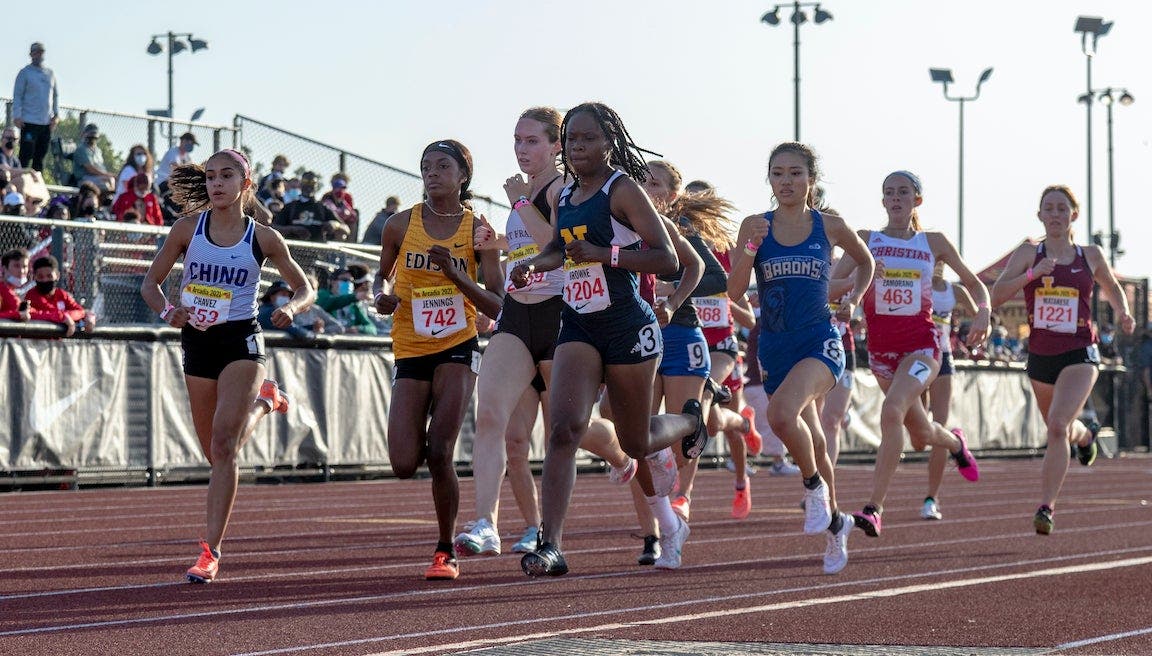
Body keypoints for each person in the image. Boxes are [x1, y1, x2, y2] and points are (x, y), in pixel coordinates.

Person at [508, 102, 709, 577]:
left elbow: (667, 260)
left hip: (627, 326)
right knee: (563, 430)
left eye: (588, 139)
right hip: (579, 325)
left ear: (608, 141)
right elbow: (559, 247)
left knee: (635, 441)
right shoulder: (570, 192)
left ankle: (687, 422)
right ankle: (551, 545)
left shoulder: (624, 190)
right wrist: (534, 265)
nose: (578, 148)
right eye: (572, 140)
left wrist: (606, 254)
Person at [140, 148, 314, 583]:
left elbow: (304, 287)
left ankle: (210, 551)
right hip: (197, 342)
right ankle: (266, 402)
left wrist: (292, 309)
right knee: (216, 454)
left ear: (245, 184)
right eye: (212, 176)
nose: (217, 184)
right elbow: (150, 284)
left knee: (222, 446)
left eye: (226, 176)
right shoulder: (186, 229)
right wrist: (167, 312)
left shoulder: (263, 237)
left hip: (242, 341)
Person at [727, 142, 874, 574]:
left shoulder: (829, 226)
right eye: (777, 174)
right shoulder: (755, 224)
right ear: (769, 180)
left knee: (782, 415)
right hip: (775, 345)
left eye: (795, 173)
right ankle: (835, 523)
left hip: (820, 341)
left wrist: (855, 300)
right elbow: (734, 291)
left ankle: (813, 488)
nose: (786, 181)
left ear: (811, 178)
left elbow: (864, 264)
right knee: (813, 437)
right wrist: (751, 249)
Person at [372, 139, 503, 581]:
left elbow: (497, 303)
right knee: (404, 462)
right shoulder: (399, 223)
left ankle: (445, 550)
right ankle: (446, 537)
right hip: (410, 345)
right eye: (426, 166)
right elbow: (381, 274)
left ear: (463, 175)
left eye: (442, 166)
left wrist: (455, 274)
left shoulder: (477, 230)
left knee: (441, 451)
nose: (432, 173)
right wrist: (381, 296)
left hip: (457, 345)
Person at [832, 170, 988, 538]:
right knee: (919, 432)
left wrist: (984, 310)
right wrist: (862, 278)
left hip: (923, 346)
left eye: (904, 192)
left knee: (891, 411)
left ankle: (874, 509)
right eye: (889, 193)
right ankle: (954, 442)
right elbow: (829, 287)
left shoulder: (932, 242)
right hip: (881, 352)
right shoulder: (865, 241)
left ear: (917, 200)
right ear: (883, 201)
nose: (896, 198)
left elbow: (974, 281)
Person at [990, 184, 1134, 535]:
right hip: (1040, 355)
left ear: (1074, 215)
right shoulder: (1028, 252)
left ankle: (1046, 507)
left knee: (1056, 425)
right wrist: (1032, 274)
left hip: (1080, 352)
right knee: (1061, 428)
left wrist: (1123, 311)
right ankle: (1086, 437)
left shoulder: (1091, 254)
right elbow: (995, 296)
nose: (1055, 215)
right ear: (1040, 215)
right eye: (1048, 209)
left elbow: (1111, 286)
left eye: (1061, 208)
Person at [921, 259, 977, 520]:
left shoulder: (953, 291)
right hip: (914, 358)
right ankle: (956, 442)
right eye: (934, 260)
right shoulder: (915, 283)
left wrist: (982, 321)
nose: (938, 266)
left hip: (942, 358)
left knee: (939, 422)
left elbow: (981, 311)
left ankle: (931, 498)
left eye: (942, 260)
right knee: (919, 438)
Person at [12, 42, 58, 172]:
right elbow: (17, 95)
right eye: (36, 52)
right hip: (29, 121)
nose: (39, 54)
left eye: (41, 52)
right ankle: (21, 182)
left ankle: (37, 186)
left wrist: (56, 115)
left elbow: (55, 96)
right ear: (31, 54)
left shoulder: (50, 73)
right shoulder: (25, 73)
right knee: (26, 155)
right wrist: (17, 115)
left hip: (45, 123)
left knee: (40, 157)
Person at [22, 255, 93, 335]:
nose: (45, 280)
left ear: (57, 276)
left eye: (49, 276)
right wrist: (63, 316)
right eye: (40, 277)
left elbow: (80, 311)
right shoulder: (32, 295)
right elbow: (51, 311)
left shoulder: (62, 294)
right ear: (34, 277)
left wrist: (88, 315)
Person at [272, 171, 347, 242]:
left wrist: (335, 225)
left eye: (312, 183)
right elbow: (274, 227)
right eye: (305, 182)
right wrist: (292, 229)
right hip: (294, 250)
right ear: (300, 184)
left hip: (318, 252)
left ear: (316, 186)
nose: (309, 185)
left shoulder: (322, 207)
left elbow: (346, 228)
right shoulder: (291, 207)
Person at [317, 265, 378, 335]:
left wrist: (358, 329)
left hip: (349, 343)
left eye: (351, 281)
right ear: (332, 281)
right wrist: (354, 297)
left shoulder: (354, 304)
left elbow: (372, 328)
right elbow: (328, 303)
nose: (349, 283)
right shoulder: (323, 294)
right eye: (345, 280)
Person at [71, 124, 116, 192]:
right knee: (107, 183)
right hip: (85, 178)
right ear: (85, 135)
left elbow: (101, 167)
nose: (92, 139)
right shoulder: (81, 149)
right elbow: (90, 169)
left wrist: (109, 176)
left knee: (116, 181)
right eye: (90, 136)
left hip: (98, 177)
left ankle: (110, 198)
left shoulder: (98, 151)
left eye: (94, 137)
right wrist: (107, 175)